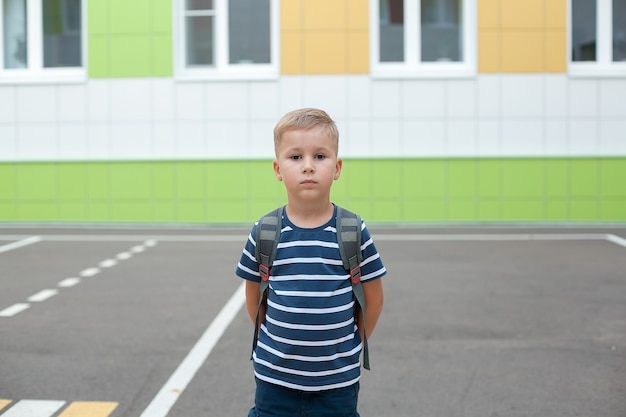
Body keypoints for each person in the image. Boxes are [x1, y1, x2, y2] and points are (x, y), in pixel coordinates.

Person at [235, 108, 386, 417]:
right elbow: (254, 297)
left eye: (319, 156)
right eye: (295, 157)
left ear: (337, 167)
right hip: (274, 379)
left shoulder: (353, 231)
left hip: (337, 383)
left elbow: (374, 299)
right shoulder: (265, 231)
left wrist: (350, 345)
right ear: (278, 169)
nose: (307, 167)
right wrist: (274, 342)